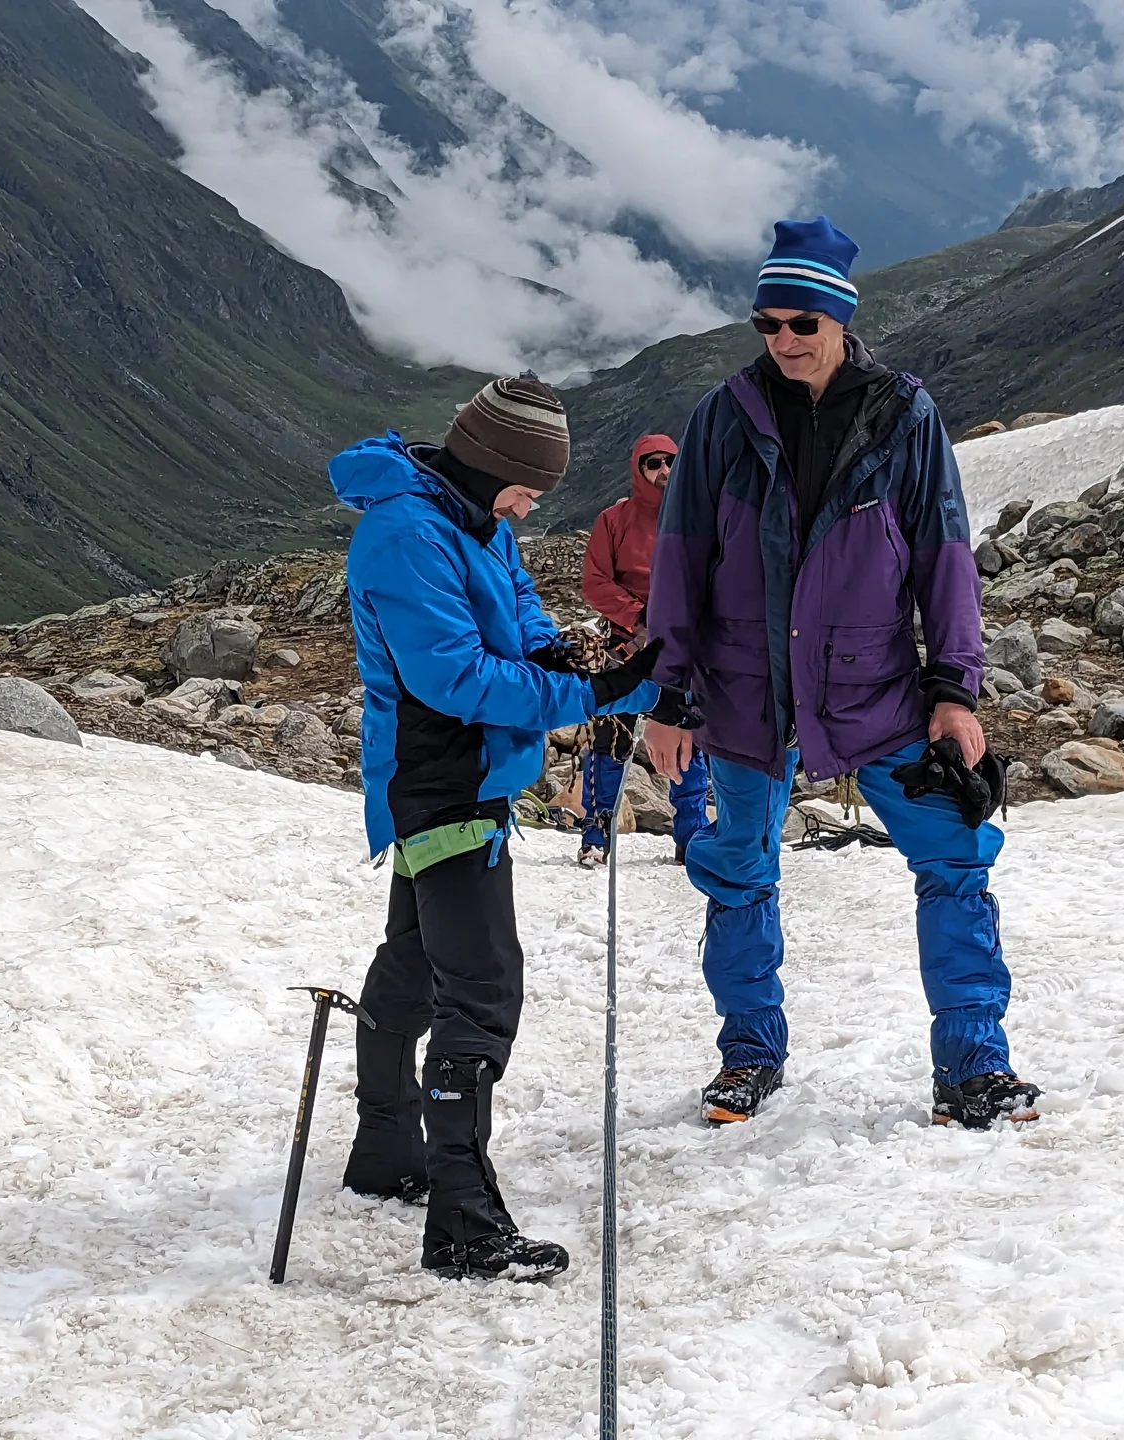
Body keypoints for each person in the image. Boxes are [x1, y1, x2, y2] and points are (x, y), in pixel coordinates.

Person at [644, 217, 1041, 1131]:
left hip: (877, 689)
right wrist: (669, 695)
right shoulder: (722, 418)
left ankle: (974, 1068)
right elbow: (682, 559)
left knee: (954, 856)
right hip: (743, 689)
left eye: (800, 324)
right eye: (766, 325)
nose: (782, 341)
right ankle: (749, 1055)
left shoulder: (905, 414)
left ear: (839, 320)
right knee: (738, 869)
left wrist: (954, 689)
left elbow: (943, 556)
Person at [329, 374, 692, 1282]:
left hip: (463, 779)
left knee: (413, 967)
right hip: (440, 781)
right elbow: (451, 680)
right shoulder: (409, 534)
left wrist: (554, 650)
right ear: (496, 462)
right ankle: (462, 1221)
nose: (533, 508)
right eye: (531, 486)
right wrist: (603, 690)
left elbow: (518, 613)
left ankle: (385, 1152)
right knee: (482, 993)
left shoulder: (473, 519)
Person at [577, 434, 711, 868]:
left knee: (687, 737)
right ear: (638, 468)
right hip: (628, 646)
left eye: (671, 462)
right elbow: (595, 581)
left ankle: (690, 836)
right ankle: (597, 836)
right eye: (653, 463)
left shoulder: (697, 518)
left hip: (682, 648)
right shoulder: (613, 520)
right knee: (611, 740)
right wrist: (642, 617)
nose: (663, 471)